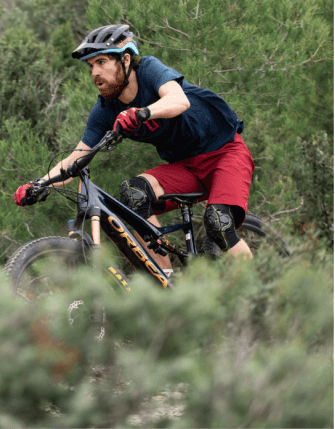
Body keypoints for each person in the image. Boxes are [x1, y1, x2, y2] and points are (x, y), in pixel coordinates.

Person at [14, 24, 254, 272]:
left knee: (218, 222)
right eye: (90, 66)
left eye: (101, 62)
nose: (95, 72)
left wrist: (143, 113)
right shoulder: (105, 110)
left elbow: (178, 100)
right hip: (185, 168)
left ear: (125, 59)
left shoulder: (149, 70)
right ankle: (165, 280)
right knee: (133, 193)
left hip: (226, 153)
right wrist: (39, 184)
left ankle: (257, 294)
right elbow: (76, 158)